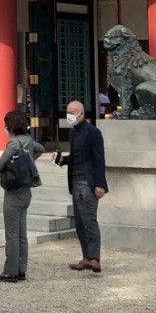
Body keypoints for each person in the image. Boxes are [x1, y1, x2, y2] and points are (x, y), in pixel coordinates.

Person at [54, 99, 107, 273]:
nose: (69, 115)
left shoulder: (93, 133)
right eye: (67, 111)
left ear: (81, 114)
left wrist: (100, 184)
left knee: (89, 220)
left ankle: (94, 258)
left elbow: (99, 159)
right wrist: (62, 160)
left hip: (89, 181)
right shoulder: (72, 133)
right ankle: (86, 256)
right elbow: (75, 157)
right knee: (79, 222)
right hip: (75, 181)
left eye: (72, 112)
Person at [0, 110, 44, 283]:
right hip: (26, 190)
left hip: (13, 191)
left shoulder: (13, 144)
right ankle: (21, 269)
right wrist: (28, 163)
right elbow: (40, 149)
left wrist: (2, 173)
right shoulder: (28, 141)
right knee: (22, 233)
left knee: (12, 234)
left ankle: (10, 271)